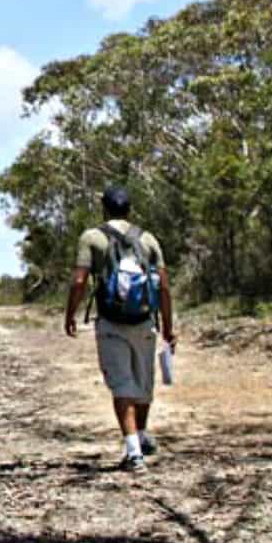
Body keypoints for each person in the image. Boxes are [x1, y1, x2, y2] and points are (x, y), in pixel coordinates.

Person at [64, 185, 175, 473]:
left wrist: (71, 314)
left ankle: (134, 452)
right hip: (145, 321)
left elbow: (79, 280)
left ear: (104, 209)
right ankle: (141, 435)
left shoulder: (92, 237)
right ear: (130, 210)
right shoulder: (148, 239)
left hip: (111, 322)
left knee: (122, 384)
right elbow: (164, 287)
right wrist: (168, 327)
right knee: (143, 383)